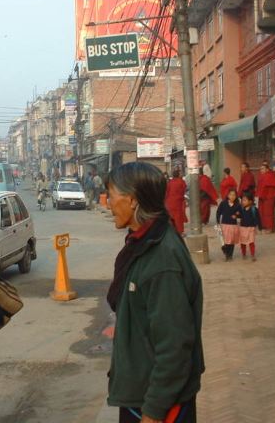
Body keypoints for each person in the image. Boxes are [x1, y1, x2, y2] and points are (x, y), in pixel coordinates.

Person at [105, 162, 204, 423]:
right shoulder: (144, 242)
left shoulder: (162, 259)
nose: (108, 204)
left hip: (155, 402)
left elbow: (175, 344)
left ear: (132, 200)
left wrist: (154, 410)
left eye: (111, 196)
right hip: (141, 390)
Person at [216, 189, 242, 261]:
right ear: (228, 195)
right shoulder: (223, 203)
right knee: (226, 241)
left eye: (234, 195)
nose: (232, 196)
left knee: (232, 241)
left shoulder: (238, 205)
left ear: (236, 196)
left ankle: (230, 255)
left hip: (233, 225)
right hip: (225, 225)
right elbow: (218, 212)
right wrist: (218, 221)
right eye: (230, 195)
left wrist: (237, 216)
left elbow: (241, 214)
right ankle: (226, 253)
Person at [165, 168, 187, 235]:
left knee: (171, 217)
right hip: (178, 202)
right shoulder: (181, 181)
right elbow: (184, 189)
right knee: (178, 217)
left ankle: (172, 231)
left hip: (169, 202)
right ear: (178, 175)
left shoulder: (169, 182)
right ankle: (180, 232)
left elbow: (166, 192)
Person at [239, 192, 260, 261]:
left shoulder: (254, 209)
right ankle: (244, 254)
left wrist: (259, 226)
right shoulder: (241, 209)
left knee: (251, 242)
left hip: (251, 228)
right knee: (243, 242)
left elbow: (258, 218)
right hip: (242, 228)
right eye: (242, 200)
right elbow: (240, 216)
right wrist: (236, 215)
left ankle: (252, 255)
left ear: (250, 201)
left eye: (245, 200)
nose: (243, 202)